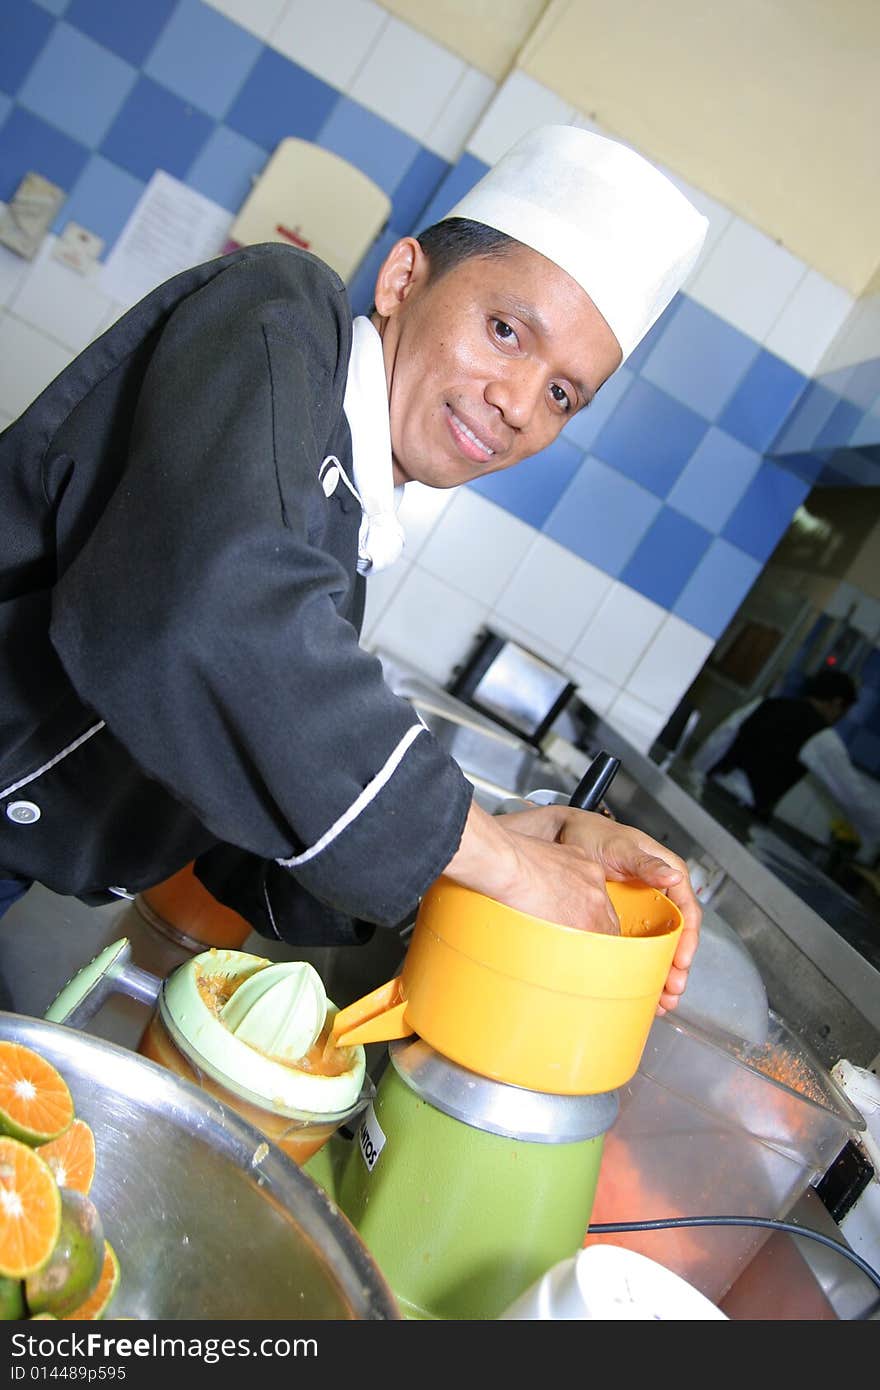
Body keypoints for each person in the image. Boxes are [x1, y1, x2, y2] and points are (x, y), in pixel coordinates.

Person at [0, 125, 707, 1013]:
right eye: (504, 330)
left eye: (564, 395)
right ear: (403, 279)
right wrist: (497, 859)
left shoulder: (344, 545)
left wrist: (511, 841)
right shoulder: (280, 306)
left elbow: (234, 836)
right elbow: (207, 611)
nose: (519, 405)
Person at [690, 669, 880, 864]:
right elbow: (852, 796)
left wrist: (695, 776)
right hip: (740, 815)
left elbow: (718, 740)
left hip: (710, 791)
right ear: (837, 703)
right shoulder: (822, 737)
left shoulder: (765, 704)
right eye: (843, 713)